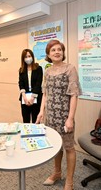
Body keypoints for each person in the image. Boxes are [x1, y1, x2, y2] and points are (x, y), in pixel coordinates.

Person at [36, 40, 80, 190]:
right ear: (48, 54)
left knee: (69, 147)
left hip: (65, 116)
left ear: (63, 52)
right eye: (53, 50)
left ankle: (69, 181)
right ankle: (57, 173)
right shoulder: (47, 71)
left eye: (59, 49)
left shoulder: (70, 69)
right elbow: (45, 94)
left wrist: (70, 119)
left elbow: (74, 95)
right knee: (56, 146)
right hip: (51, 116)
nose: (57, 52)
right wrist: (41, 112)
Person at [18, 49, 43, 123]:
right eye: (25, 57)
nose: (28, 58)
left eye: (29, 56)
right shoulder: (21, 70)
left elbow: (38, 83)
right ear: (23, 59)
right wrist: (24, 97)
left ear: (32, 56)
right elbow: (21, 83)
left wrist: (32, 97)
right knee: (26, 121)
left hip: (36, 98)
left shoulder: (38, 68)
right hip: (25, 99)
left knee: (36, 121)